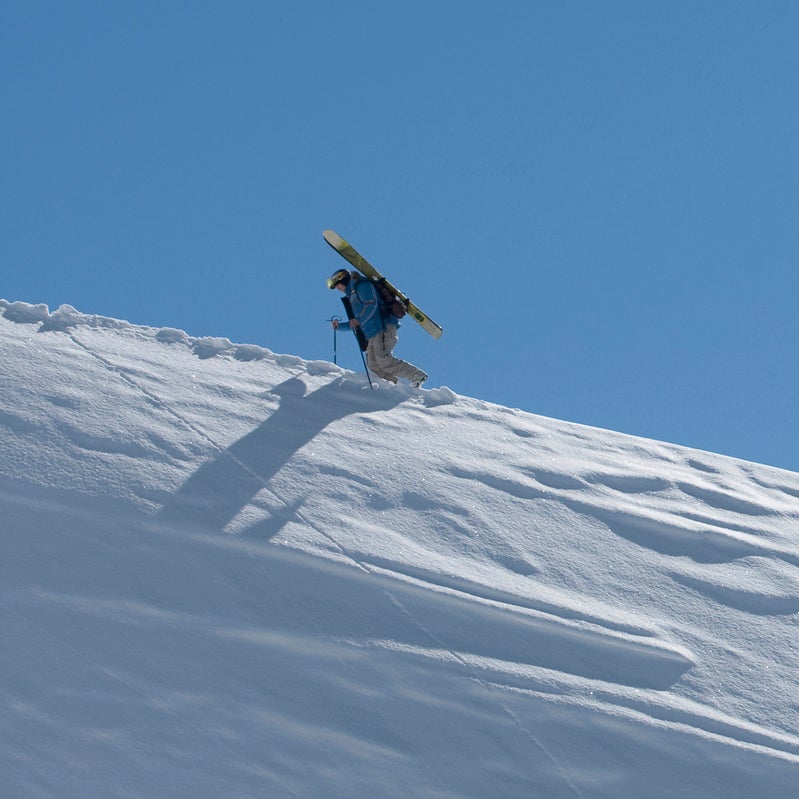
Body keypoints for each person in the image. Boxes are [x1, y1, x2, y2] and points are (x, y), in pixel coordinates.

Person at [328, 268, 428, 387]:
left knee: (383, 360)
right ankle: (393, 387)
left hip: (383, 327)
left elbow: (371, 304)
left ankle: (417, 375)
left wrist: (358, 320)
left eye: (338, 285)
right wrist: (339, 326)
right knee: (373, 365)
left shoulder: (361, 285)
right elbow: (357, 321)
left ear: (343, 280)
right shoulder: (351, 295)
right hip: (372, 332)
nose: (338, 289)